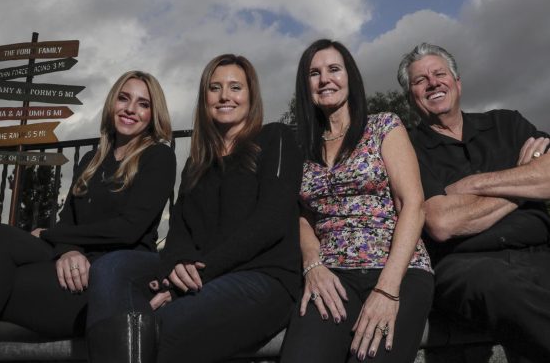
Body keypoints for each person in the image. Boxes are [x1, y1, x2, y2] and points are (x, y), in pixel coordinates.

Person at [86, 54, 303, 363]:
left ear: (251, 96)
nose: (224, 96)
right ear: (205, 98)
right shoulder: (197, 163)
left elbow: (271, 222)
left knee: (162, 327)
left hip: (264, 278)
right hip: (206, 278)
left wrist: (192, 279)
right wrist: (175, 264)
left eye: (235, 87)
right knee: (112, 269)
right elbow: (179, 230)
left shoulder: (275, 138)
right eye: (215, 88)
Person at [281, 39, 433, 363]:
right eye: (314, 73)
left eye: (334, 69)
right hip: (332, 275)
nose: (325, 79)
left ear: (350, 76)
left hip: (398, 269)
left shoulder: (383, 126)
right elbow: (303, 215)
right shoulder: (301, 146)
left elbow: (412, 204)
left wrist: (387, 290)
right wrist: (313, 265)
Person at [397, 42, 550, 362]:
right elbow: (442, 222)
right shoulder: (407, 148)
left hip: (541, 252)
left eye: (440, 74)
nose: (433, 83)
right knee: (502, 286)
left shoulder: (508, 123)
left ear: (458, 83)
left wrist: (474, 185)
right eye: (420, 80)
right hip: (465, 266)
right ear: (411, 97)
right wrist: (524, 179)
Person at [0, 70, 175, 338]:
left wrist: (50, 235)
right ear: (112, 103)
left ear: (153, 114)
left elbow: (127, 229)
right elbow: (67, 222)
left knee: (14, 280)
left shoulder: (158, 156)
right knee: (2, 237)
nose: (130, 109)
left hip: (113, 269)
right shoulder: (91, 160)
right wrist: (69, 250)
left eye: (143, 104)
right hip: (76, 259)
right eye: (123, 98)